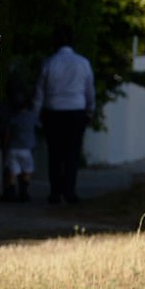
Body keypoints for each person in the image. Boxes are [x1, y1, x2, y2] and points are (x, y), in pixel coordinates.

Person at [33, 25, 95, 204]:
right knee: (72, 154)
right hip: (76, 111)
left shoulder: (49, 62)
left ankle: (55, 192)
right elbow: (89, 90)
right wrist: (90, 110)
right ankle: (70, 191)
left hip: (53, 112)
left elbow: (40, 92)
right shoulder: (83, 63)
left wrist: (36, 115)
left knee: (55, 154)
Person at [0, 88, 37, 202]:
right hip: (26, 148)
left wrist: (5, 144)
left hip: (13, 148)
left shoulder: (14, 118)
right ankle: (24, 193)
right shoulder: (32, 116)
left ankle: (11, 193)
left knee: (13, 171)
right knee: (27, 170)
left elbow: (8, 132)